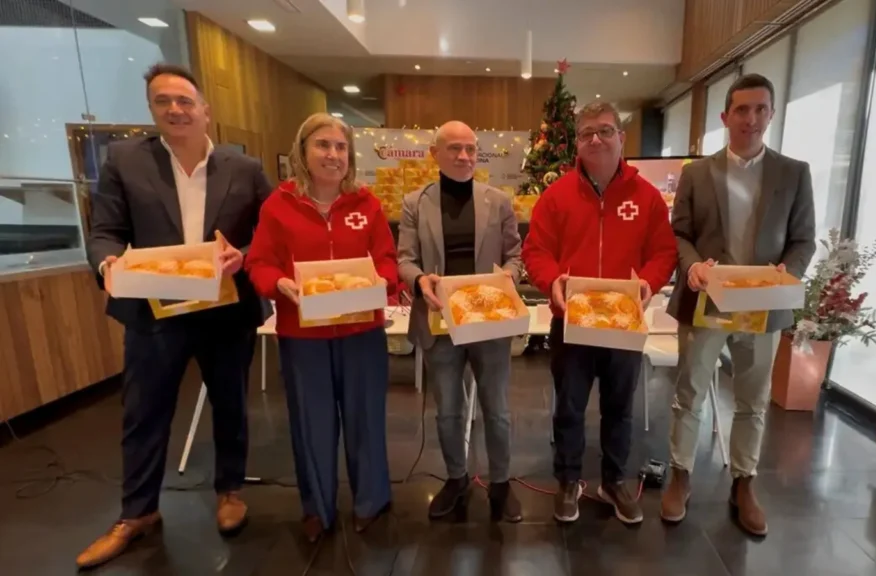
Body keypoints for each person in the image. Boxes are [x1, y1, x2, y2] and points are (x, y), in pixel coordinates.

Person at [79, 64, 272, 569]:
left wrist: (244, 254)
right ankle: (137, 512)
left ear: (205, 109)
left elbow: (272, 233)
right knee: (143, 412)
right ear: (152, 109)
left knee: (230, 404)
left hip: (224, 308)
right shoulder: (125, 161)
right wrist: (107, 262)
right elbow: (104, 231)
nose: (175, 109)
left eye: (185, 100)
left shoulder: (244, 168)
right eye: (163, 101)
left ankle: (230, 491)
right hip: (154, 310)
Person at [663, 73, 816, 536]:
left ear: (772, 114)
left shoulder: (794, 173)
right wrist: (692, 264)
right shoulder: (697, 173)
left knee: (753, 399)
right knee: (690, 392)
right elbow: (680, 233)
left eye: (760, 109)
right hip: (707, 301)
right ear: (725, 116)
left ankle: (743, 481)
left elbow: (803, 240)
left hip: (763, 305)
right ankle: (680, 474)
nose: (751, 118)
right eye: (742, 110)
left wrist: (788, 272)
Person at [522, 101, 678, 525]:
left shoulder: (646, 197)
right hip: (571, 321)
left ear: (621, 138)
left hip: (624, 322)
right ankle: (568, 480)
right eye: (587, 132)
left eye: (605, 130)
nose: (596, 139)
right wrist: (551, 281)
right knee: (569, 407)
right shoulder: (556, 196)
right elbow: (536, 251)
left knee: (620, 408)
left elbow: (664, 252)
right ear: (578, 142)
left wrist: (648, 282)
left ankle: (613, 480)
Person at [245, 113, 397, 542]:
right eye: (323, 145)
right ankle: (317, 507)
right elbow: (260, 263)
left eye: (341, 147)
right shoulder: (279, 205)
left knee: (366, 418)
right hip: (303, 334)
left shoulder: (366, 204)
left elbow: (387, 259)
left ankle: (371, 500)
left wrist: (382, 280)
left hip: (361, 332)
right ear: (303, 151)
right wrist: (279, 284)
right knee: (311, 423)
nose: (333, 154)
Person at [397, 121, 524, 523]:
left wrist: (508, 276)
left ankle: (500, 484)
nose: (465, 156)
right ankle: (456, 478)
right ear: (435, 154)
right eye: (454, 148)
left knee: (497, 409)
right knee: (448, 410)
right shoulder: (414, 203)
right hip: (441, 321)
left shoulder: (498, 201)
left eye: (471, 148)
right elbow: (405, 260)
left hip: (489, 321)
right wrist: (420, 280)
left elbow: (515, 257)